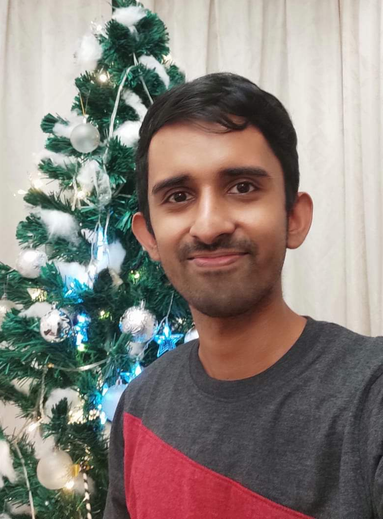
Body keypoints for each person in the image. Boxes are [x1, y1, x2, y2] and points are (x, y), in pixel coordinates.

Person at [104, 72, 383, 519]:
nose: (209, 226)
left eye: (243, 188)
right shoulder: (139, 406)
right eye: (178, 195)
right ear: (149, 238)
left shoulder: (369, 398)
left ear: (294, 218)